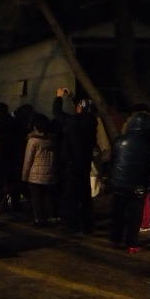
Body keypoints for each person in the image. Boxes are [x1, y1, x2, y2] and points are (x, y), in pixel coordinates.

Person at [109, 111, 150, 252]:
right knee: (134, 216)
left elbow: (114, 161)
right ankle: (131, 243)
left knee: (118, 213)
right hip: (138, 186)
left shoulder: (120, 140)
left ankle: (116, 239)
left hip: (118, 183)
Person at [53, 88, 98, 234]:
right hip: (84, 162)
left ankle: (72, 225)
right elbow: (80, 112)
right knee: (85, 194)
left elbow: (57, 113)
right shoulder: (92, 122)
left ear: (82, 108)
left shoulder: (74, 122)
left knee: (71, 194)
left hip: (72, 163)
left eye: (78, 105)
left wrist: (59, 97)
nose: (76, 107)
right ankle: (87, 224)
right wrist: (72, 97)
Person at [21, 113, 59, 226]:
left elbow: (28, 160)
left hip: (35, 176)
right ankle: (50, 217)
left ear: (35, 127)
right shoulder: (53, 140)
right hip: (50, 173)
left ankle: (39, 219)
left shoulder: (33, 141)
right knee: (48, 197)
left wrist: (24, 176)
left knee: (36, 199)